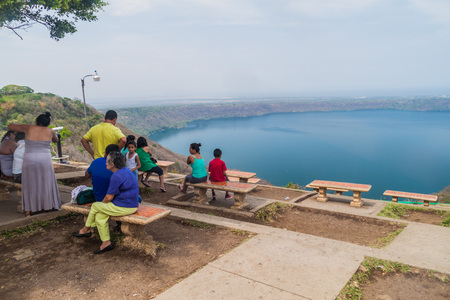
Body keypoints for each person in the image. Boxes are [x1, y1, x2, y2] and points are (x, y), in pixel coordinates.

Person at [72, 151, 140, 254]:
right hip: (129, 204)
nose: (105, 163)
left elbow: (108, 197)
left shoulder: (116, 176)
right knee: (100, 217)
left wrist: (101, 205)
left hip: (126, 206)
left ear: (112, 164)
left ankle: (86, 229)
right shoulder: (125, 170)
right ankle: (106, 243)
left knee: (95, 206)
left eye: (107, 161)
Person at [8, 112, 61, 217]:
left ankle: (28, 211)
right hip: (45, 159)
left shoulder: (28, 128)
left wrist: (24, 126)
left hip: (30, 159)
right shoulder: (50, 131)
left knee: (30, 184)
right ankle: (47, 206)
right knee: (45, 182)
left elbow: (10, 126)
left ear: (37, 121)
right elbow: (56, 140)